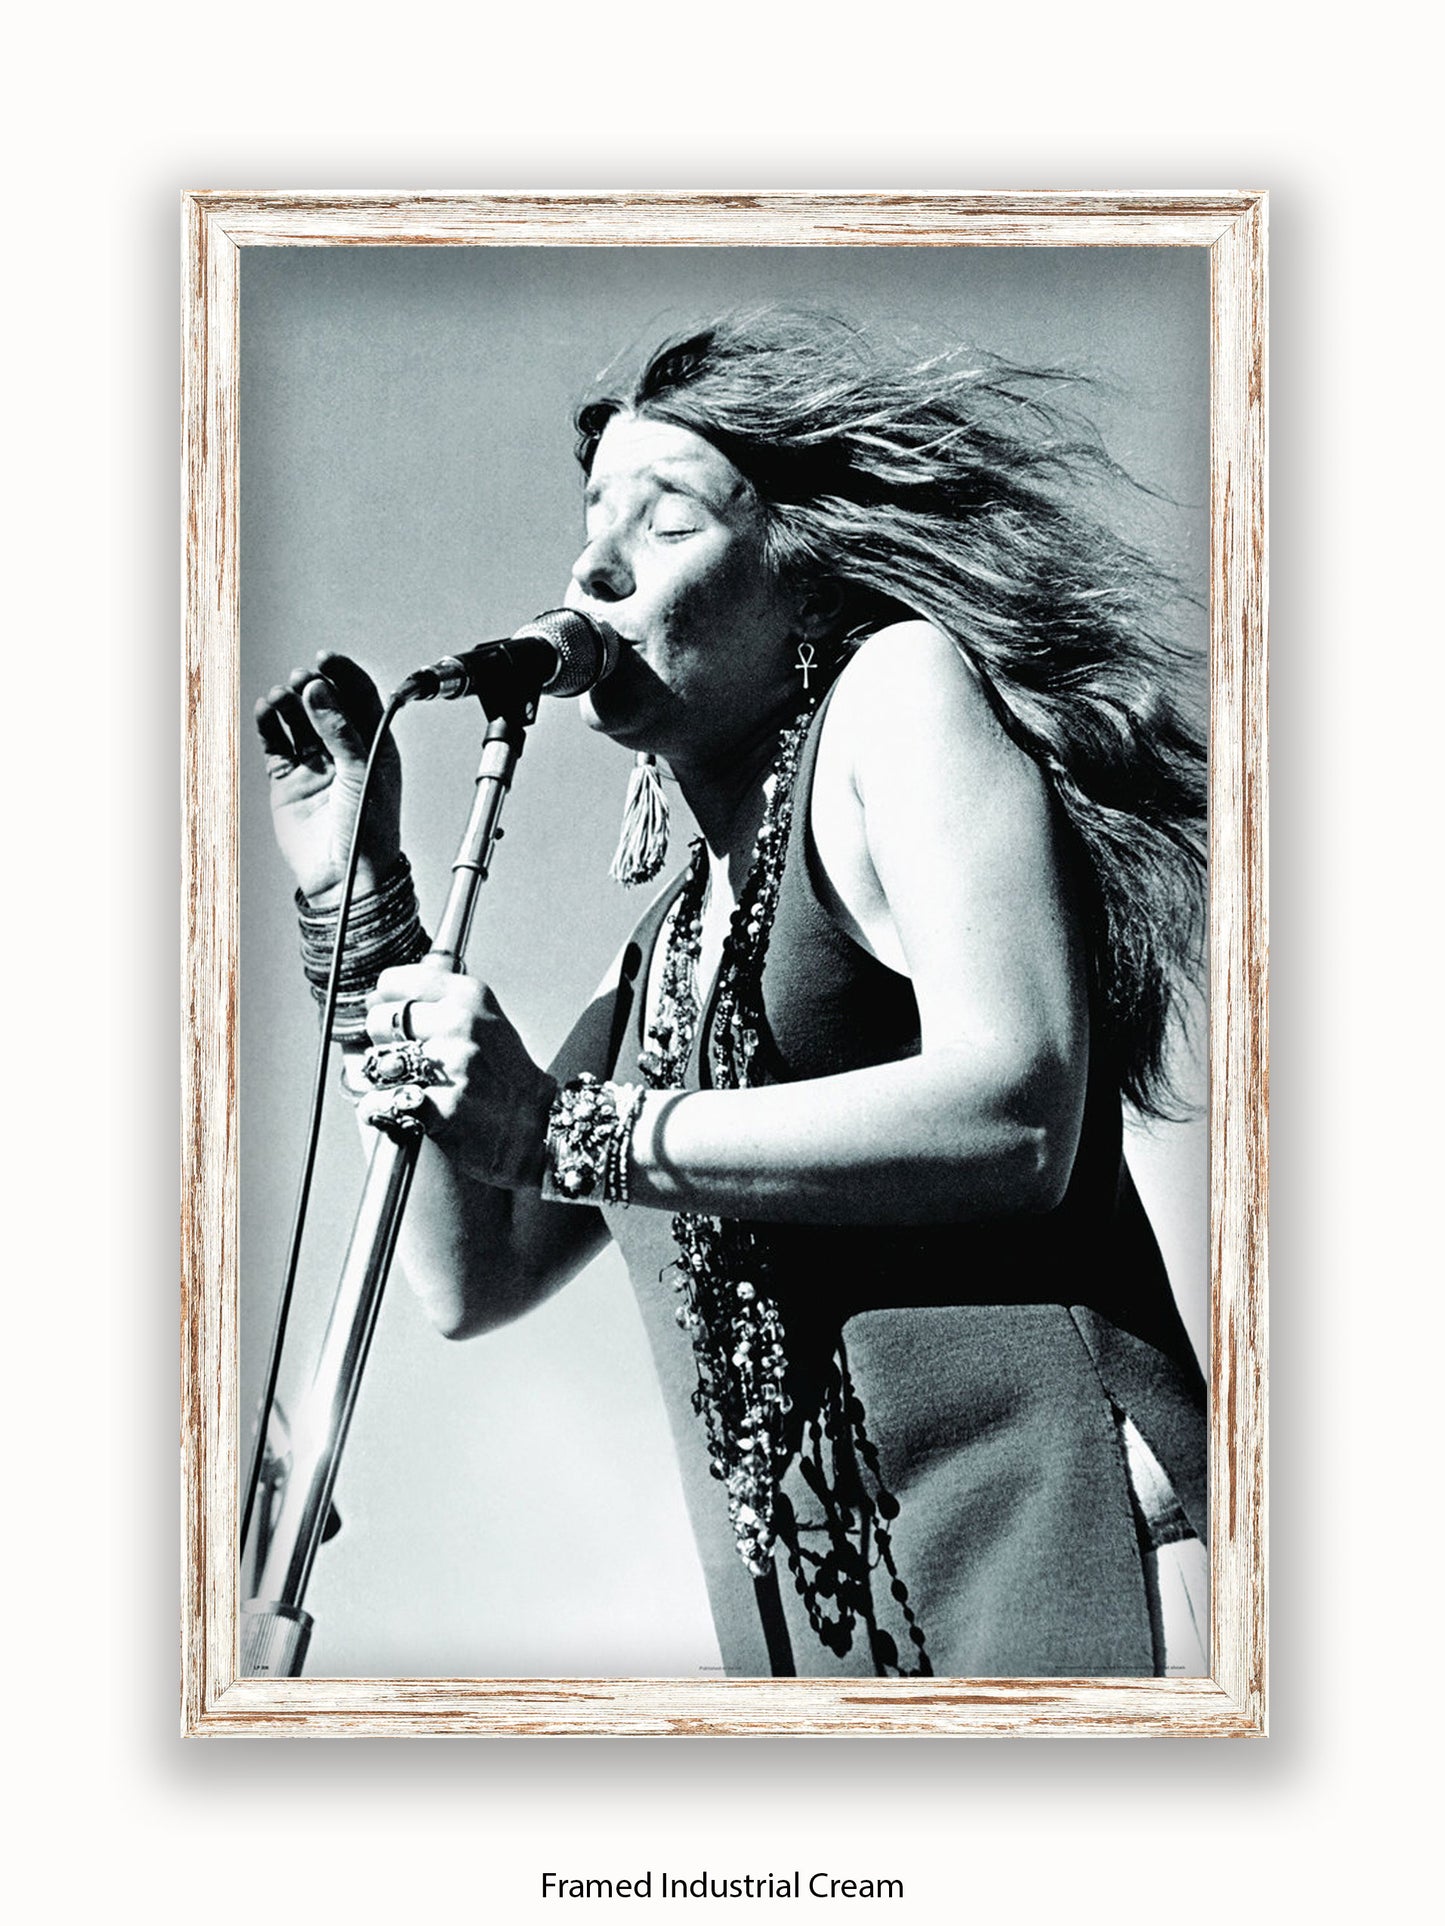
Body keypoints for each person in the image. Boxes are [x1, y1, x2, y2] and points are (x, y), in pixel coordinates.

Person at [254, 310, 1208, 1679]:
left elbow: (1017, 1107)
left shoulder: (897, 695)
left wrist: (572, 1129)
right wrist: (360, 905)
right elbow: (473, 1272)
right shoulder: (656, 964)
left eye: (666, 522)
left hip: (1069, 1554)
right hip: (838, 1658)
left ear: (804, 583)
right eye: (591, 520)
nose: (593, 565)